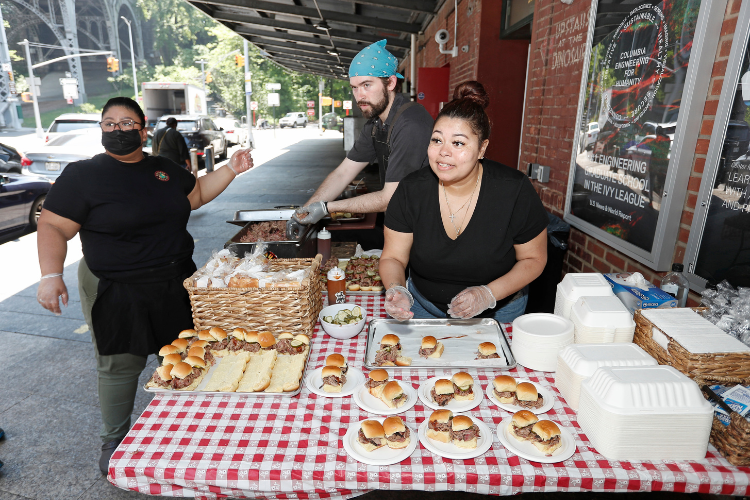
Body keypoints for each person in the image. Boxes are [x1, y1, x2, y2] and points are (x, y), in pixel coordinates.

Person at [35, 97, 253, 474]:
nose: (118, 130)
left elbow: (196, 194)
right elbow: (53, 225)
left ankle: (189, 423)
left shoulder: (162, 169)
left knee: (184, 353)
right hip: (115, 284)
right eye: (110, 123)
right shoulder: (83, 175)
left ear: (143, 129)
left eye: (127, 123)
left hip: (173, 279)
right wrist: (51, 275)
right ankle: (114, 440)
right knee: (121, 362)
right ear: (101, 129)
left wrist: (231, 169)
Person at [380, 81, 548, 322]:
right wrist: (397, 288)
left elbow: (534, 259)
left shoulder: (514, 190)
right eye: (437, 140)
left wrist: (488, 294)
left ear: (482, 149)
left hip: (498, 312)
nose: (444, 152)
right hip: (423, 307)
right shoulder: (411, 190)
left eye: (458, 143)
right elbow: (393, 257)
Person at [288, 39, 434, 247]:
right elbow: (343, 173)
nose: (360, 96)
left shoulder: (410, 124)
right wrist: (304, 212)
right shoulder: (376, 123)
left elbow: (389, 198)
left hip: (427, 230)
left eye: (367, 85)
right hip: (403, 221)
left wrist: (326, 208)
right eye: (355, 88)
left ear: (390, 83)